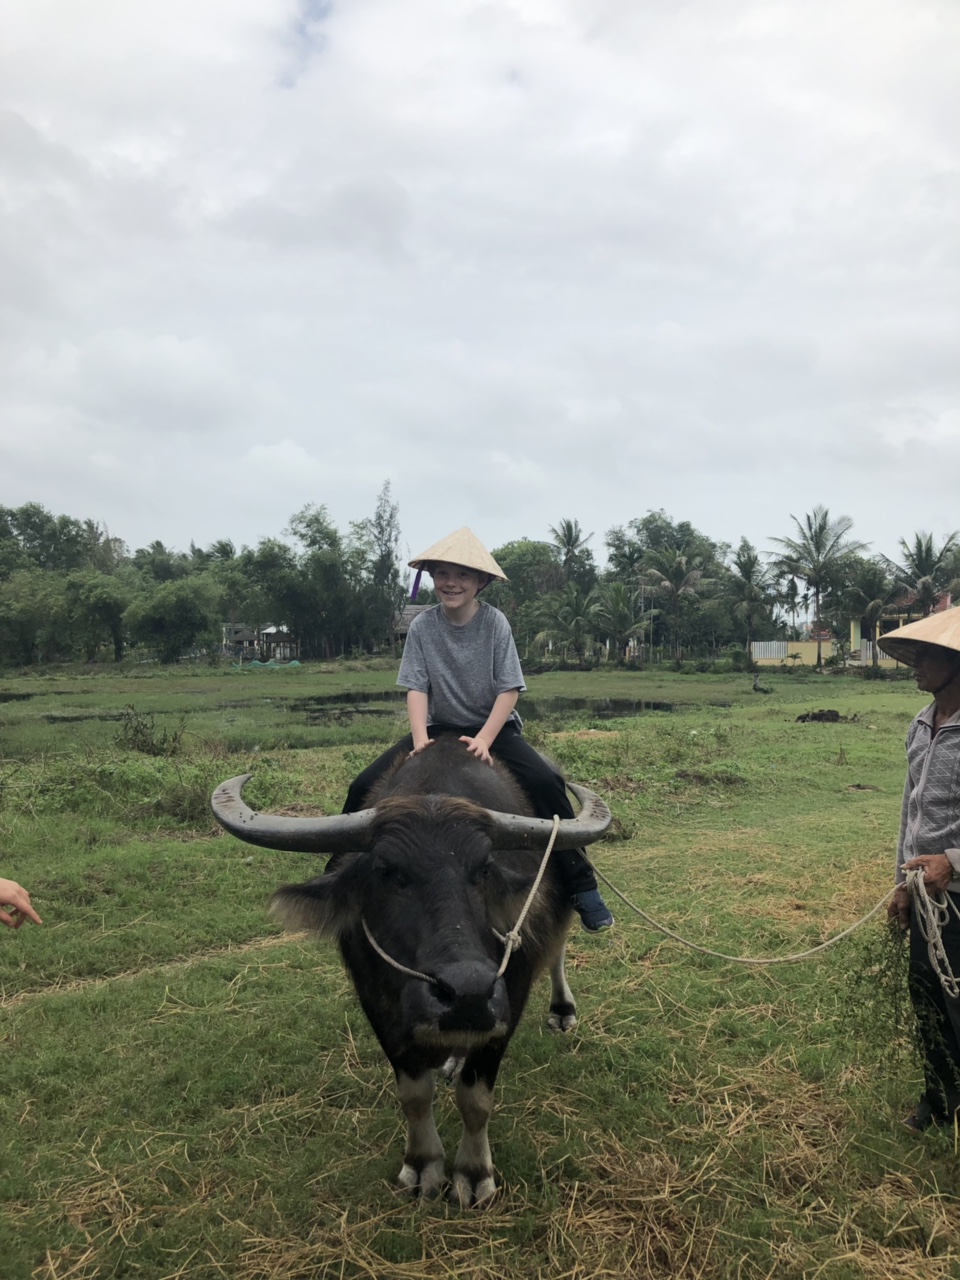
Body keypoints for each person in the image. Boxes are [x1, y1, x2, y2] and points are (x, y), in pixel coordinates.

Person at [344, 527, 614, 931]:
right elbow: (416, 687)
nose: (451, 583)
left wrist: (487, 739)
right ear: (432, 578)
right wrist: (420, 739)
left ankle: (581, 883)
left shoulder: (494, 624)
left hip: (493, 727)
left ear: (481, 582)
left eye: (463, 575)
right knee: (361, 786)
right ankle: (343, 875)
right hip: (438, 727)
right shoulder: (422, 627)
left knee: (544, 783)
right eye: (442, 574)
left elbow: (509, 689)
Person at [879, 608, 960, 1131]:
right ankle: (941, 1099)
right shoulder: (920, 726)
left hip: (957, 892)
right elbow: (910, 812)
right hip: (923, 892)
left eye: (928, 655)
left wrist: (953, 862)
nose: (916, 664)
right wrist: (900, 885)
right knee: (926, 996)